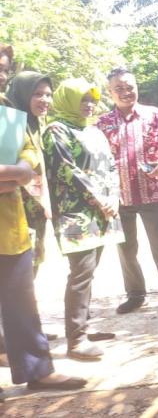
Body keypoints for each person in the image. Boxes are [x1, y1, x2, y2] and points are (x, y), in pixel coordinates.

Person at [0, 95, 87, 394]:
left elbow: (25, 146)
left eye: (3, 69)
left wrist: (24, 168)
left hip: (9, 225)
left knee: (22, 303)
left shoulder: (4, 108)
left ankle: (38, 371)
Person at [96, 68, 158, 314]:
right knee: (126, 249)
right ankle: (135, 294)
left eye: (130, 87)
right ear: (110, 92)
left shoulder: (155, 115)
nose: (126, 92)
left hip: (154, 194)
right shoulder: (103, 123)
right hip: (119, 198)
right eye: (119, 88)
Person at [43, 78, 125, 360]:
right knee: (80, 274)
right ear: (68, 100)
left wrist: (113, 197)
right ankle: (75, 340)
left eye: (92, 100)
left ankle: (84, 327)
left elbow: (111, 166)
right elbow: (67, 171)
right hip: (77, 216)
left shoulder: (94, 132)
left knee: (89, 272)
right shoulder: (56, 130)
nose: (89, 105)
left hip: (103, 213)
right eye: (83, 100)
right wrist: (99, 200)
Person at [7, 71, 54, 273]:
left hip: (35, 212)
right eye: (37, 94)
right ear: (23, 94)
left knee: (29, 271)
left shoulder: (35, 124)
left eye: (48, 94)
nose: (45, 100)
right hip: (14, 212)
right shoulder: (10, 124)